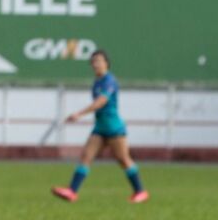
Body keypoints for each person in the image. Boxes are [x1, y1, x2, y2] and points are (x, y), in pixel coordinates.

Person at [51, 50, 148, 204]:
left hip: (113, 127)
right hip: (100, 127)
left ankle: (140, 191)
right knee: (86, 156)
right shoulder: (97, 82)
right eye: (93, 61)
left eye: (99, 61)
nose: (96, 64)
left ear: (106, 63)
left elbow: (101, 102)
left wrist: (79, 114)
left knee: (123, 159)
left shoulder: (110, 81)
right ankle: (72, 191)